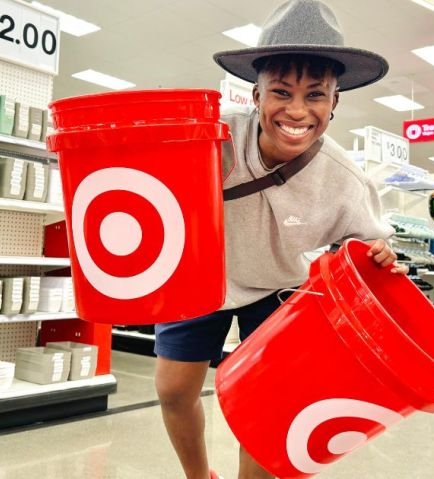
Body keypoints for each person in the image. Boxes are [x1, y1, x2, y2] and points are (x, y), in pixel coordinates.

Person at [154, 1, 402, 478]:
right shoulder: (212, 137)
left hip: (276, 291)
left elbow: (371, 248)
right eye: (281, 92)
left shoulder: (345, 181)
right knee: (172, 391)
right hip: (200, 281)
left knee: (268, 405)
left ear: (334, 103)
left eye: (315, 95)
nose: (296, 110)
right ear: (255, 94)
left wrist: (381, 255)